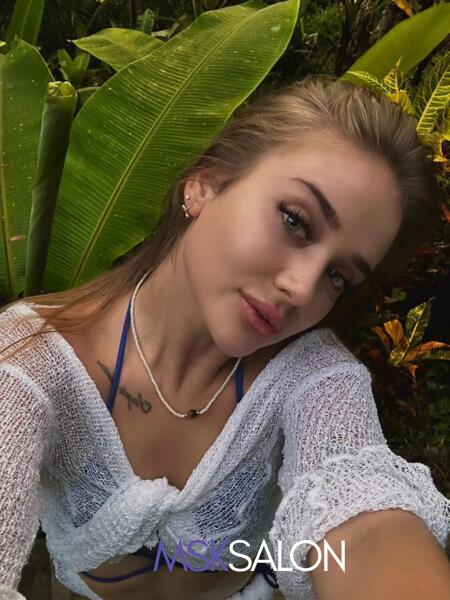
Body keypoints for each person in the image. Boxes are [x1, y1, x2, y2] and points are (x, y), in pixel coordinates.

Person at [0, 76, 449, 600]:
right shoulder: (32, 359)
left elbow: (363, 515)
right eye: (295, 221)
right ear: (205, 183)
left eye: (338, 276)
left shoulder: (311, 377)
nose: (302, 289)